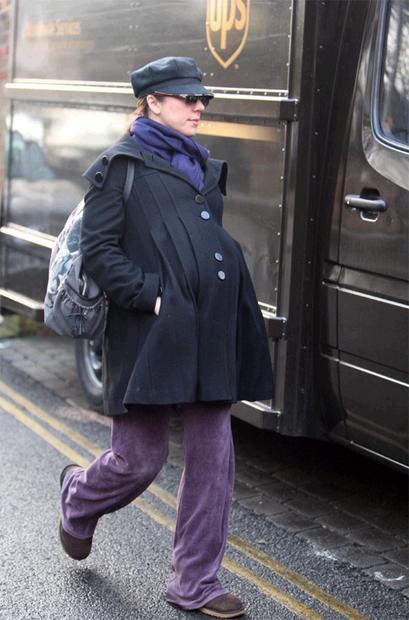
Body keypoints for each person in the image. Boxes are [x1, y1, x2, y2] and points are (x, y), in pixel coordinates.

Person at [59, 56, 273, 619]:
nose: (199, 106)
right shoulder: (119, 166)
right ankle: (78, 498)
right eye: (186, 97)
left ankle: (194, 581)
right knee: (139, 459)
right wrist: (150, 295)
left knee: (214, 458)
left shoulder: (201, 164)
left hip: (211, 325)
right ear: (152, 102)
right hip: (148, 331)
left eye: (202, 98)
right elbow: (99, 251)